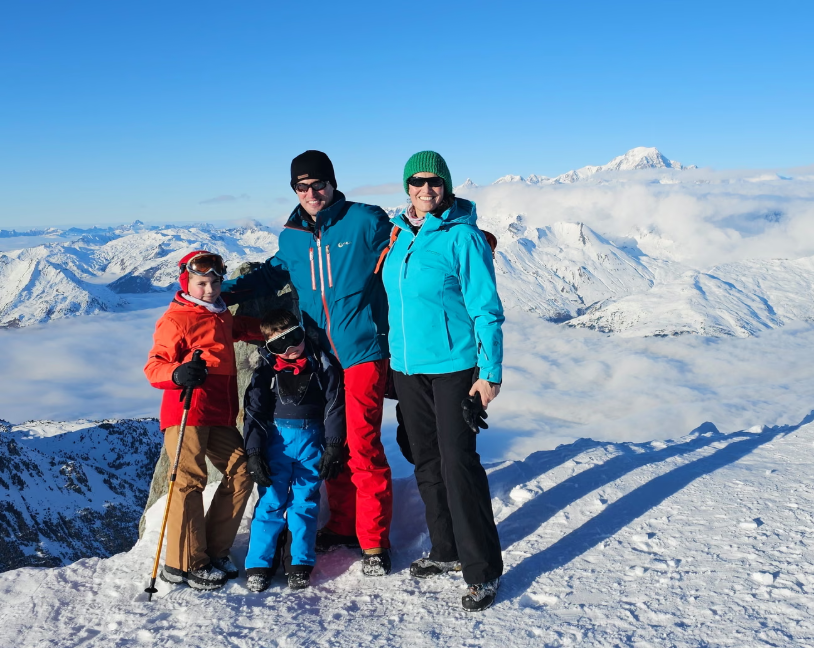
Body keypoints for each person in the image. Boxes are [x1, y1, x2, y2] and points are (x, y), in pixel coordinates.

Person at [221, 151, 394, 576]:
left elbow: (407, 242)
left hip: (362, 352)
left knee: (363, 445)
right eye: (302, 187)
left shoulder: (364, 219)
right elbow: (272, 273)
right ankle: (343, 526)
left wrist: (467, 238)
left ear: (332, 183)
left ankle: (374, 543)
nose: (312, 193)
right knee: (332, 444)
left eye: (318, 184)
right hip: (318, 360)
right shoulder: (293, 236)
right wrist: (216, 292)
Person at [378, 151, 505, 612]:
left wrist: (489, 374)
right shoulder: (399, 236)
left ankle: (483, 570)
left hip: (454, 368)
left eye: (434, 181)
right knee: (426, 461)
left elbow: (486, 309)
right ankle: (446, 549)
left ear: (446, 186)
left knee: (458, 465)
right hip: (408, 369)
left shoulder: (463, 237)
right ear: (407, 187)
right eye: (417, 181)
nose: (425, 189)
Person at [144, 250, 262, 591]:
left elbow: (240, 328)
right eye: (201, 283)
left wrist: (278, 330)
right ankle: (183, 563)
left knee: (242, 471)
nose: (209, 290)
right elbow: (154, 366)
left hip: (220, 413)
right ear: (187, 282)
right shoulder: (176, 319)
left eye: (214, 283)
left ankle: (212, 550)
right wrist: (177, 373)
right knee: (189, 481)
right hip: (188, 410)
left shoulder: (220, 314)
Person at [242, 309, 346, 592]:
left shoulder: (322, 365)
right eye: (279, 345)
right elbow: (254, 413)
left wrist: (334, 444)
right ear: (269, 347)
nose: (290, 349)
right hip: (277, 441)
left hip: (312, 440)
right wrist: (254, 452)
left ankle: (299, 562)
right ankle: (259, 564)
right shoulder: (265, 371)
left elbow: (334, 406)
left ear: (303, 333)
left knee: (305, 500)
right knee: (271, 499)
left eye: (294, 338)